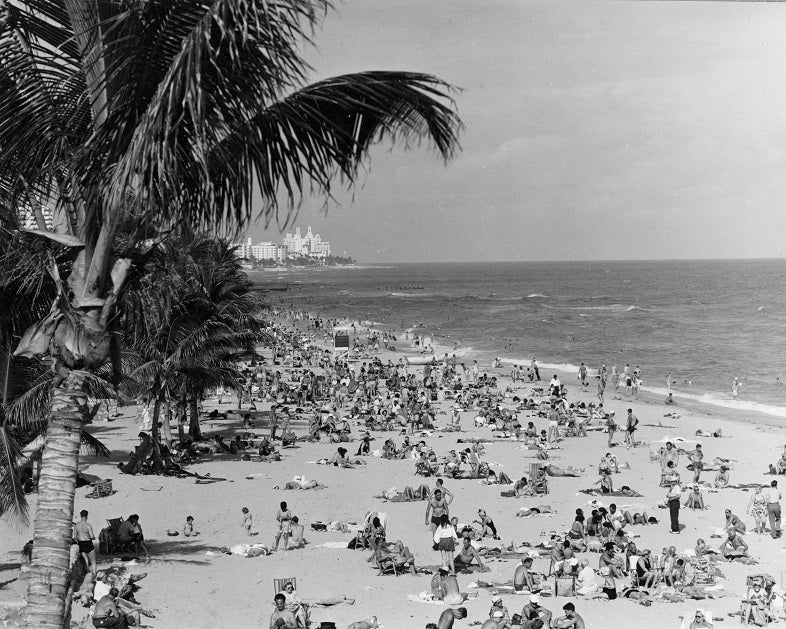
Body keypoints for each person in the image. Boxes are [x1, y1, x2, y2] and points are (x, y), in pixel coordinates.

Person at [73, 509, 97, 575]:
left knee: (85, 560)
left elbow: (75, 537)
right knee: (93, 561)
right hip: (88, 543)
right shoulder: (88, 525)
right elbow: (92, 536)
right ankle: (94, 574)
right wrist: (93, 537)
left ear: (80, 516)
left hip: (81, 543)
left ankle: (87, 574)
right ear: (86, 516)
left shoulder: (76, 526)